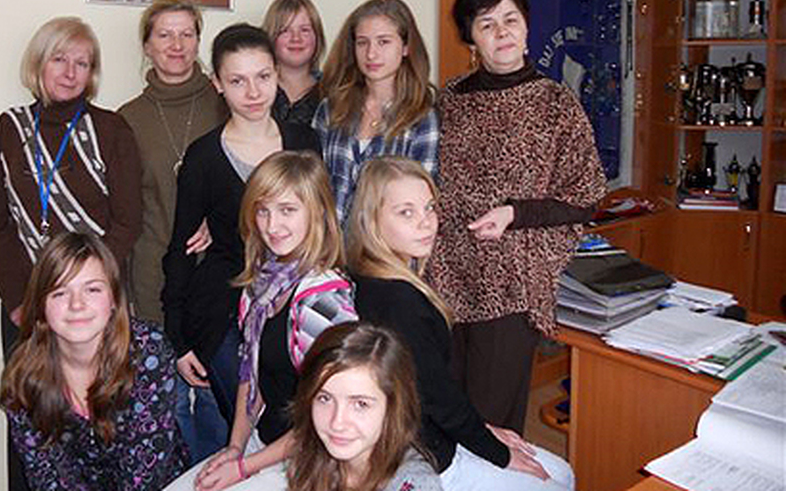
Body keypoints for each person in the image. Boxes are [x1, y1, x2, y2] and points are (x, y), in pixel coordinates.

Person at [429, 0, 607, 435]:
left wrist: (515, 213)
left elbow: (586, 195)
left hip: (511, 279)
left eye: (510, 19)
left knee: (491, 421)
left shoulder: (556, 102)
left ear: (527, 27)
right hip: (445, 273)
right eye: (486, 24)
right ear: (471, 38)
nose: (501, 32)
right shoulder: (449, 100)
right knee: (444, 407)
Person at [0, 16, 142, 491]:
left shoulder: (111, 128)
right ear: (39, 64)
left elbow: (128, 221)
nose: (71, 72)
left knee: (100, 421)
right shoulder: (10, 128)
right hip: (27, 307)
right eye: (59, 59)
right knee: (32, 421)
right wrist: (20, 300)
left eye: (82, 63)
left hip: (95, 305)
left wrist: (92, 290)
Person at [348, 157, 575, 491]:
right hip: (426, 455)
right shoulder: (398, 301)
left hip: (428, 434)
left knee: (563, 472)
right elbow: (437, 398)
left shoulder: (372, 276)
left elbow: (438, 388)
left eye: (429, 208)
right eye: (406, 212)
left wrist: (482, 428)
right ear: (371, 220)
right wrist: (498, 453)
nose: (426, 223)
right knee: (557, 481)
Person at [162, 24, 320, 451]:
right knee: (255, 430)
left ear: (277, 75)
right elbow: (179, 251)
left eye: (263, 76)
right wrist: (178, 339)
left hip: (293, 301)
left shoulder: (304, 142)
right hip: (221, 306)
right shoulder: (203, 157)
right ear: (217, 83)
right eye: (237, 80)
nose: (253, 92)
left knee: (304, 424)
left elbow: (320, 226)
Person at [170, 150, 357, 491]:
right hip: (265, 443)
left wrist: (244, 468)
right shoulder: (262, 282)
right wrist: (235, 447)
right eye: (263, 210)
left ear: (317, 212)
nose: (272, 226)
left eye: (287, 210)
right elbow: (250, 373)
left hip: (312, 459)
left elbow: (328, 419)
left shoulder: (323, 300)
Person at [119, 0, 228, 463]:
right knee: (164, 412)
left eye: (187, 34)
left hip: (217, 283)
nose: (176, 45)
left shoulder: (226, 102)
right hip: (152, 280)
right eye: (164, 34)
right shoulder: (126, 119)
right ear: (147, 45)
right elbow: (124, 210)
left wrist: (219, 216)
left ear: (199, 41)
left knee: (217, 408)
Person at [0, 232, 188, 490]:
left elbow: (145, 476)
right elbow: (46, 477)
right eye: (60, 292)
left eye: (92, 289)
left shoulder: (149, 352)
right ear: (41, 305)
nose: (77, 304)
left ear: (114, 299)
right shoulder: (24, 377)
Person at [313, 0, 438, 225]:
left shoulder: (422, 117)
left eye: (383, 42)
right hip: (329, 244)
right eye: (362, 43)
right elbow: (313, 189)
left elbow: (420, 203)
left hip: (390, 245)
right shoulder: (330, 109)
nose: (371, 54)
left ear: (406, 47)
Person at [287, 321, 442, 491]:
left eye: (360, 404)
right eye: (325, 398)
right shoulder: (315, 457)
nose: (337, 423)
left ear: (394, 407)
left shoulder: (413, 484)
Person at [261, 0, 326, 125]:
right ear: (271, 36)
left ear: (317, 37)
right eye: (285, 30)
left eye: (305, 30)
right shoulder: (256, 89)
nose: (296, 38)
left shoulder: (333, 93)